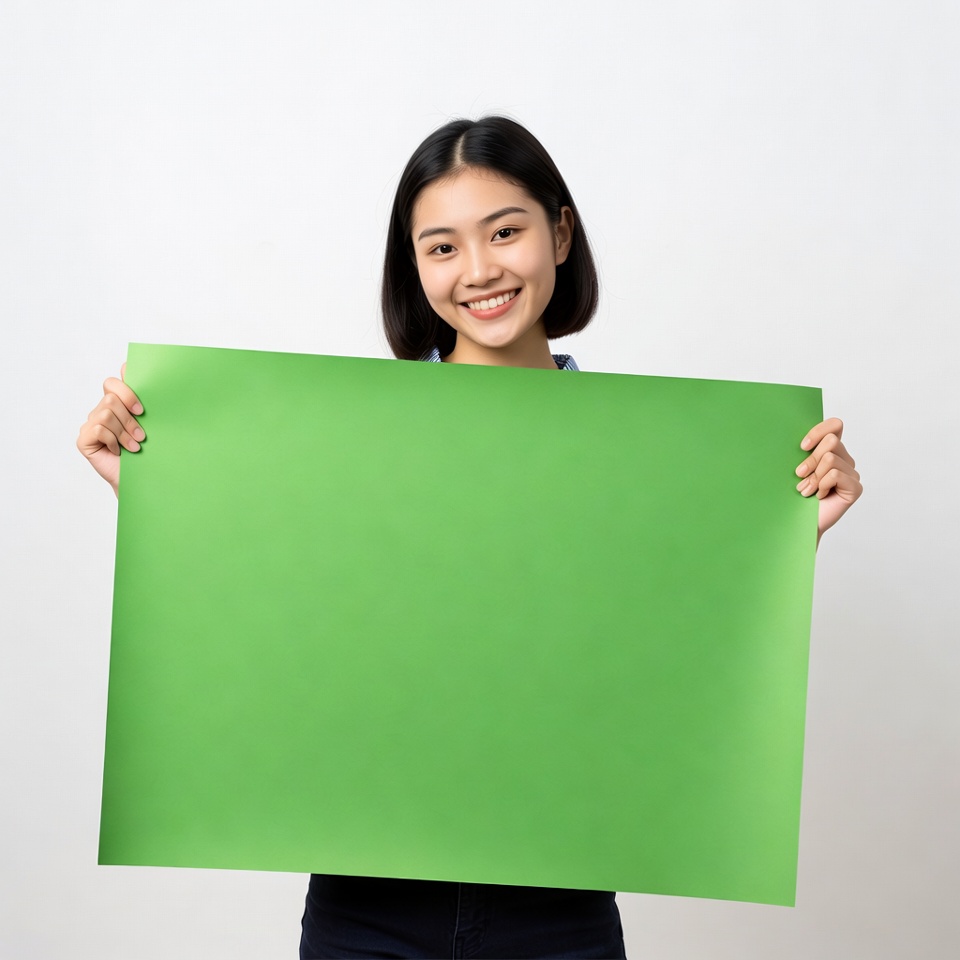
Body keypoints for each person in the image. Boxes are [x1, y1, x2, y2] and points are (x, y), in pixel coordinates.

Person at [77, 116, 863, 959]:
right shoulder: (345, 448)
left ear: (559, 233)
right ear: (414, 269)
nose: (480, 270)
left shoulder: (644, 460)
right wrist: (160, 489)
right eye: (442, 247)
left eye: (505, 232)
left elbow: (668, 652)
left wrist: (787, 535)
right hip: (365, 904)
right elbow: (282, 616)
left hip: (559, 907)